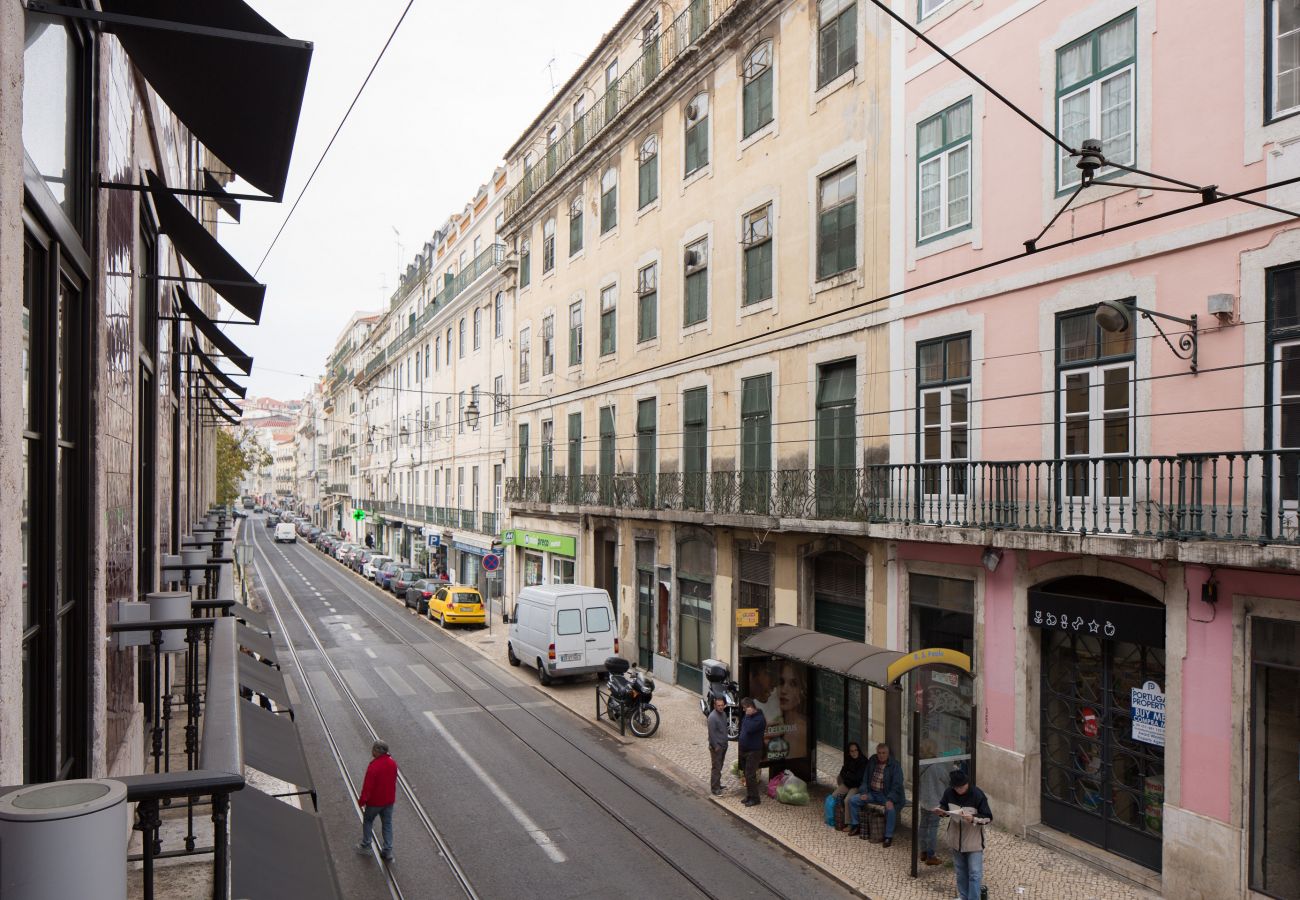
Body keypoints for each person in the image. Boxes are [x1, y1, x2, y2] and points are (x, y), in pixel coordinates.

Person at [935, 769, 993, 900]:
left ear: (967, 783)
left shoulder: (977, 794)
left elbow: (988, 818)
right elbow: (944, 806)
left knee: (974, 873)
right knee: (960, 871)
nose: (959, 790)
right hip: (955, 840)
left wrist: (973, 818)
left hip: (973, 842)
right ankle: (963, 896)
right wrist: (941, 812)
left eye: (962, 787)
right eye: (956, 787)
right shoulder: (949, 792)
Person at [848, 742, 906, 846]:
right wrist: (864, 792)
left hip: (886, 795)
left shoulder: (895, 765)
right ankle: (856, 825)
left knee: (890, 809)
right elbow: (865, 779)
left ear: (888, 754)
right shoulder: (873, 760)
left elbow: (897, 785)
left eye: (884, 753)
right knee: (853, 800)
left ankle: (888, 836)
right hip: (872, 793)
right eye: (879, 753)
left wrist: (890, 799)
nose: (881, 755)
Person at [356, 740, 398, 861]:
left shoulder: (374, 767)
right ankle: (387, 850)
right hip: (389, 801)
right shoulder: (392, 763)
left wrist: (362, 801)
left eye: (373, 749)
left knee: (368, 820)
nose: (372, 751)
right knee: (387, 824)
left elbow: (367, 787)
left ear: (377, 751)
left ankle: (366, 845)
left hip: (375, 802)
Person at [917, 739, 948, 865]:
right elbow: (947, 779)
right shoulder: (937, 766)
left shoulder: (920, 764)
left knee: (923, 826)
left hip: (924, 801)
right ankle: (931, 855)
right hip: (935, 803)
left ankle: (923, 851)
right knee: (933, 829)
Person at [774, 662, 808, 760]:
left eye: (793, 684)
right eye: (781, 682)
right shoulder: (778, 723)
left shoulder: (800, 731)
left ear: (802, 690)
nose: (784, 690)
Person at [737, 697, 767, 807]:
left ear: (752, 707)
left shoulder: (759, 719)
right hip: (744, 750)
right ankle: (749, 795)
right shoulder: (748, 716)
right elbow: (743, 727)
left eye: (745, 708)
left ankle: (755, 798)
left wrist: (748, 716)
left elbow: (748, 728)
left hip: (753, 751)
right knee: (746, 774)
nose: (744, 711)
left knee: (750, 775)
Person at [831, 742, 867, 831]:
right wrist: (849, 776)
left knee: (848, 800)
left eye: (855, 750)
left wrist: (848, 775)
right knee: (834, 796)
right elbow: (842, 772)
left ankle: (850, 823)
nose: (854, 753)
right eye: (851, 751)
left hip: (857, 786)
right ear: (849, 752)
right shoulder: (849, 759)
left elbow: (858, 778)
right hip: (847, 784)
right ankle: (837, 818)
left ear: (858, 750)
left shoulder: (863, 761)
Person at [707, 696, 729, 796]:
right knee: (716, 767)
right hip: (717, 747)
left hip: (724, 745)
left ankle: (718, 784)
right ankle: (715, 788)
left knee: (719, 766)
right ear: (715, 706)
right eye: (719, 705)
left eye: (722, 705)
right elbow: (711, 734)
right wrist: (716, 746)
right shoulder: (712, 717)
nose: (721, 707)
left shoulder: (724, 714)